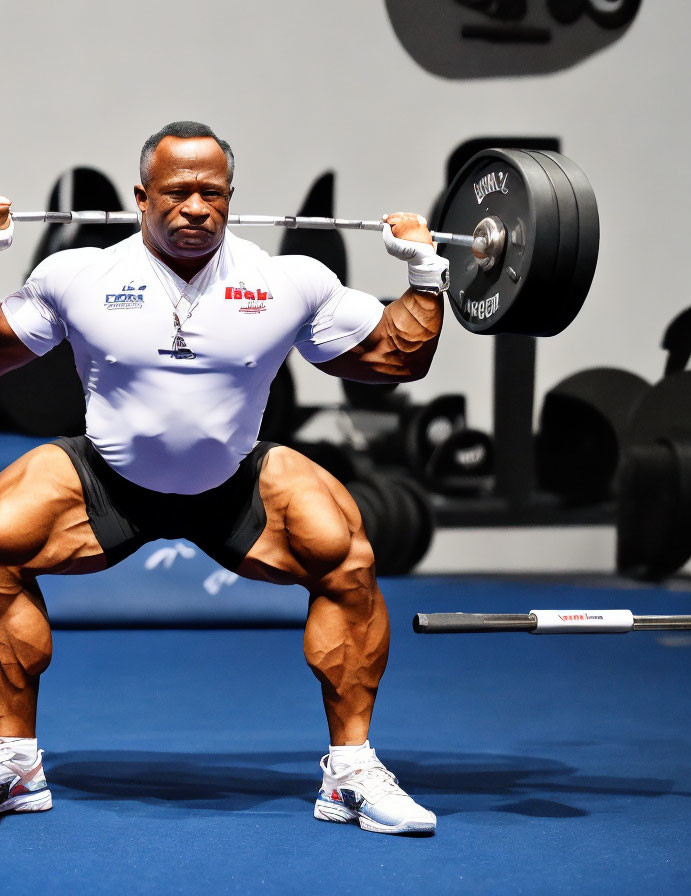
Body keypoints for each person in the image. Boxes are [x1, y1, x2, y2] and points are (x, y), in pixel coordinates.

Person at [0, 121, 449, 835]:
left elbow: (395, 359)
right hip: (107, 478)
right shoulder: (79, 275)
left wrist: (425, 273)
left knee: (346, 555)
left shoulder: (286, 281)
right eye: (177, 192)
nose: (195, 208)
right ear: (142, 197)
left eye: (212, 193)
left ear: (231, 199)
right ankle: (13, 763)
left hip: (234, 480)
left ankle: (352, 772)